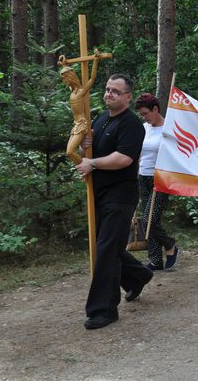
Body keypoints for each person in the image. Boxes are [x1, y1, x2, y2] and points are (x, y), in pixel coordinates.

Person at [75, 73, 153, 330]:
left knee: (106, 250)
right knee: (109, 246)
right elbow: (93, 150)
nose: (109, 94)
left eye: (116, 91)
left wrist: (92, 162)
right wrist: (88, 145)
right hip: (98, 193)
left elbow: (123, 159)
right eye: (108, 90)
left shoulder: (131, 124)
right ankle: (138, 275)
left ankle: (103, 310)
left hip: (120, 197)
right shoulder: (100, 119)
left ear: (128, 97)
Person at [134, 93, 179, 271]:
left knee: (149, 219)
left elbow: (178, 153)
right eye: (142, 114)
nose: (144, 117)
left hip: (161, 178)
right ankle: (155, 261)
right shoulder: (143, 128)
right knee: (151, 218)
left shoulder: (169, 129)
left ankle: (170, 245)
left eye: (146, 113)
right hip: (142, 177)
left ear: (155, 109)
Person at [61, 51, 101, 165]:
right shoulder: (72, 91)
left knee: (70, 152)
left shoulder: (81, 92)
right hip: (76, 125)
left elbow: (92, 79)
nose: (64, 81)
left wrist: (95, 61)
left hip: (82, 125)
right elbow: (67, 72)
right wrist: (64, 64)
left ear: (71, 78)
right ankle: (85, 170)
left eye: (65, 79)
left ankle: (86, 168)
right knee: (68, 152)